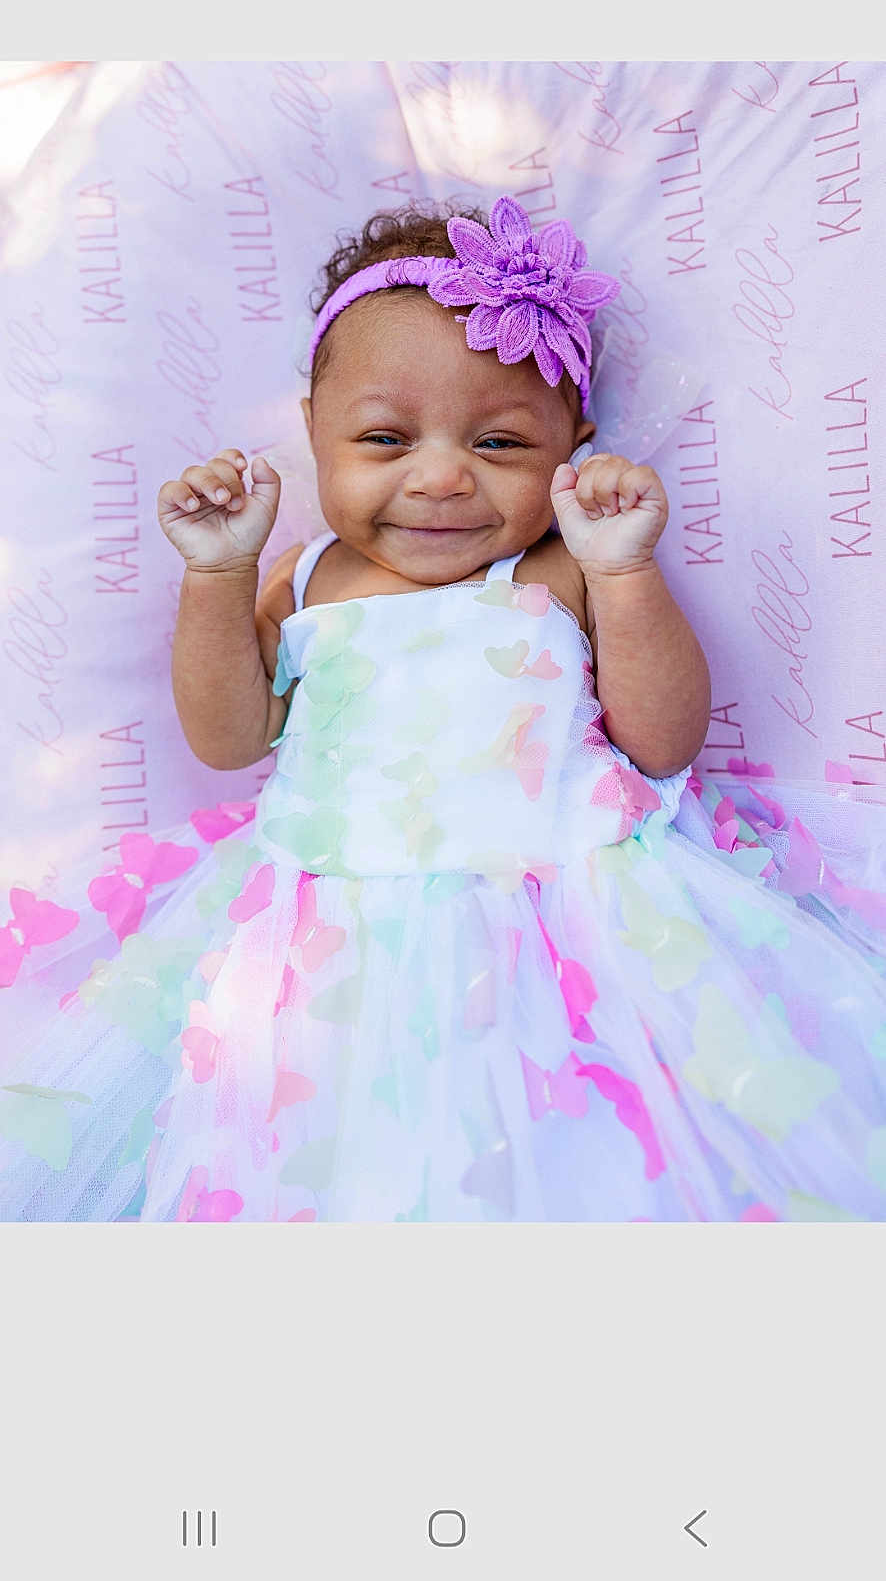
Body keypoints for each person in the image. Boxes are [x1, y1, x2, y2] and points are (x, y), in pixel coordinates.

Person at [2, 196, 885, 1222]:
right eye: (383, 438)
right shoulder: (310, 577)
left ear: (573, 444)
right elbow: (231, 736)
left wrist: (627, 572)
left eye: (501, 443)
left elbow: (660, 744)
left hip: (575, 925)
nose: (438, 477)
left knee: (591, 1166)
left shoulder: (562, 566)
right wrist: (218, 571)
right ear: (314, 436)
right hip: (329, 946)